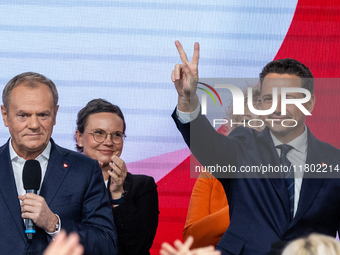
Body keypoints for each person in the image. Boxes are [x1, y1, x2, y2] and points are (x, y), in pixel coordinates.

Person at [171, 41, 340, 255]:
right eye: (269, 98)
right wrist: (188, 99)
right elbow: (208, 146)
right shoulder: (244, 144)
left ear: (309, 104)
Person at [0, 72, 118, 255]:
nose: (33, 124)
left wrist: (54, 224)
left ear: (55, 114)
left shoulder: (85, 170)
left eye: (43, 115)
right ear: (5, 115)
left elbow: (107, 245)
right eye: (23, 115)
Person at [75, 98, 159, 255]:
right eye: (98, 133)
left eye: (116, 135)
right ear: (79, 138)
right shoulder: (60, 182)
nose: (108, 142)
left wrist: (117, 194)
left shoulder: (142, 186)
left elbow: (138, 247)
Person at [183, 87, 263, 248]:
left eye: (262, 122)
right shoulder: (210, 173)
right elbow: (191, 239)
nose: (251, 129)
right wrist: (246, 209)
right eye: (245, 121)